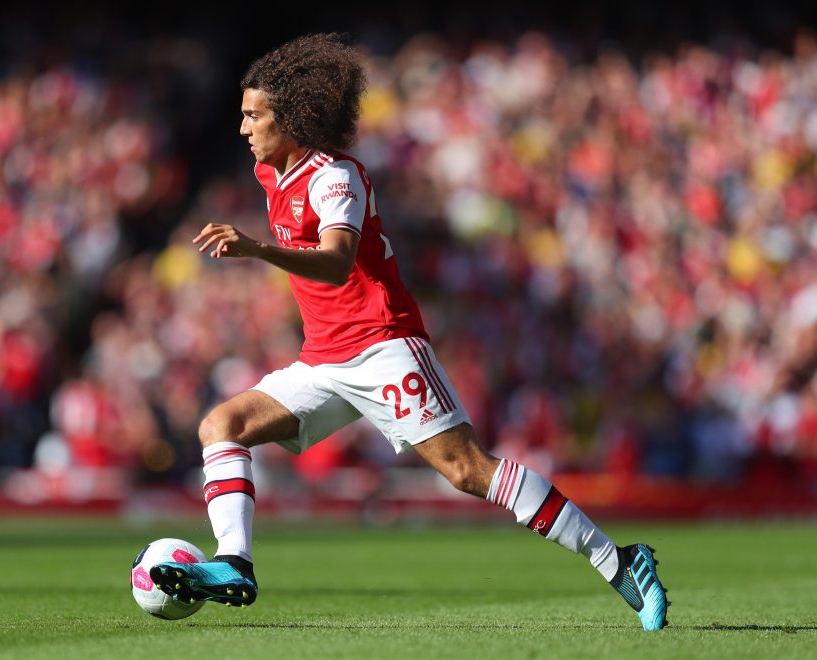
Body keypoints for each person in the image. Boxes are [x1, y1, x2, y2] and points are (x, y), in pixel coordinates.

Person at [150, 33, 669, 631]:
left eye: (253, 115)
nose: (242, 128)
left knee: (468, 471)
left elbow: (340, 258)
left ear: (290, 119)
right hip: (324, 361)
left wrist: (256, 250)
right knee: (222, 426)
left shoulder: (335, 177)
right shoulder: (274, 177)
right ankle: (234, 564)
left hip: (382, 348)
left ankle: (621, 561)